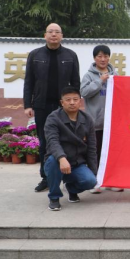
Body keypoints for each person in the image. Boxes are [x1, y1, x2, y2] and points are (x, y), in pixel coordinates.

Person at [23, 23, 80, 193]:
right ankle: (46, 177)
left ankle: (68, 178)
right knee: (44, 141)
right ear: (45, 35)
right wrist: (28, 104)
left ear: (62, 36)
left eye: (57, 32)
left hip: (64, 107)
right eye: (50, 32)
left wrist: (74, 103)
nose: (53, 35)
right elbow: (29, 82)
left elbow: (75, 82)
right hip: (42, 105)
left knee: (67, 141)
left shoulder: (70, 55)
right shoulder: (35, 55)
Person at [44, 86, 98, 211]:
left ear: (80, 101)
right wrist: (62, 158)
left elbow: (91, 148)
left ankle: (72, 189)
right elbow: (52, 141)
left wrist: (94, 173)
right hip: (57, 161)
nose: (72, 102)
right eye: (68, 100)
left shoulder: (87, 119)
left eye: (75, 99)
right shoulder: (53, 118)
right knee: (52, 161)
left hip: (77, 163)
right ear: (62, 102)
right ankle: (54, 197)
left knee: (90, 181)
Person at [80, 44, 123, 194]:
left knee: (112, 153)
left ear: (109, 58)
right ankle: (95, 182)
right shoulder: (88, 75)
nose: (103, 59)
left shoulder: (115, 74)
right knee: (95, 153)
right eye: (99, 56)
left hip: (111, 123)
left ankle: (111, 181)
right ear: (94, 58)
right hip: (95, 123)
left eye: (105, 56)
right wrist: (100, 81)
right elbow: (84, 92)